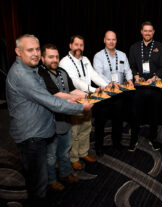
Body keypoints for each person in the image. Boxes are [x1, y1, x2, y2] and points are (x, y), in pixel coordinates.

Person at [6, 34, 93, 206]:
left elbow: (53, 96)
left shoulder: (30, 69)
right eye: (30, 50)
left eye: (37, 49)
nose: (35, 54)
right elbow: (52, 101)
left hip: (39, 129)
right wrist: (80, 107)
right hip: (31, 136)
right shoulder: (23, 75)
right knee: (39, 182)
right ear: (18, 52)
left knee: (40, 175)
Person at [38, 43, 88, 191]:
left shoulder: (62, 71)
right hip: (49, 122)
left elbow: (72, 90)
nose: (54, 59)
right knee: (51, 156)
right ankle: (52, 180)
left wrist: (89, 96)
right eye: (50, 57)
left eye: (57, 57)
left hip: (65, 118)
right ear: (42, 58)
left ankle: (66, 173)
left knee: (65, 150)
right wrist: (80, 101)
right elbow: (56, 95)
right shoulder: (41, 74)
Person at [59, 35, 109, 170]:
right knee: (75, 129)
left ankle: (83, 152)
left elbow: (94, 75)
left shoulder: (85, 59)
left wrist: (106, 86)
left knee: (86, 126)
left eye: (81, 45)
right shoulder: (64, 62)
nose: (79, 48)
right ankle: (74, 157)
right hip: (74, 98)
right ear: (70, 46)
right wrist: (94, 90)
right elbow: (75, 82)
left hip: (87, 98)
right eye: (76, 45)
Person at [128, 21, 162, 151]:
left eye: (150, 31)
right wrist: (135, 76)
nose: (147, 33)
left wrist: (155, 77)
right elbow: (131, 66)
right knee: (135, 115)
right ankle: (133, 139)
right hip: (139, 88)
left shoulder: (160, 47)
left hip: (154, 87)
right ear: (141, 31)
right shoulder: (134, 47)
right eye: (145, 30)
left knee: (154, 115)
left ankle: (153, 139)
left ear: (153, 32)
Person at [93, 30, 133, 154]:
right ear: (104, 40)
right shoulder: (98, 56)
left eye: (113, 39)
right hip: (104, 93)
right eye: (108, 39)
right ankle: (99, 146)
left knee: (118, 120)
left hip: (119, 93)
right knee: (100, 122)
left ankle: (117, 143)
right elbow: (97, 74)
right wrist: (110, 83)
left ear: (116, 41)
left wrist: (130, 79)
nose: (111, 42)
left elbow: (127, 70)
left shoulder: (122, 55)